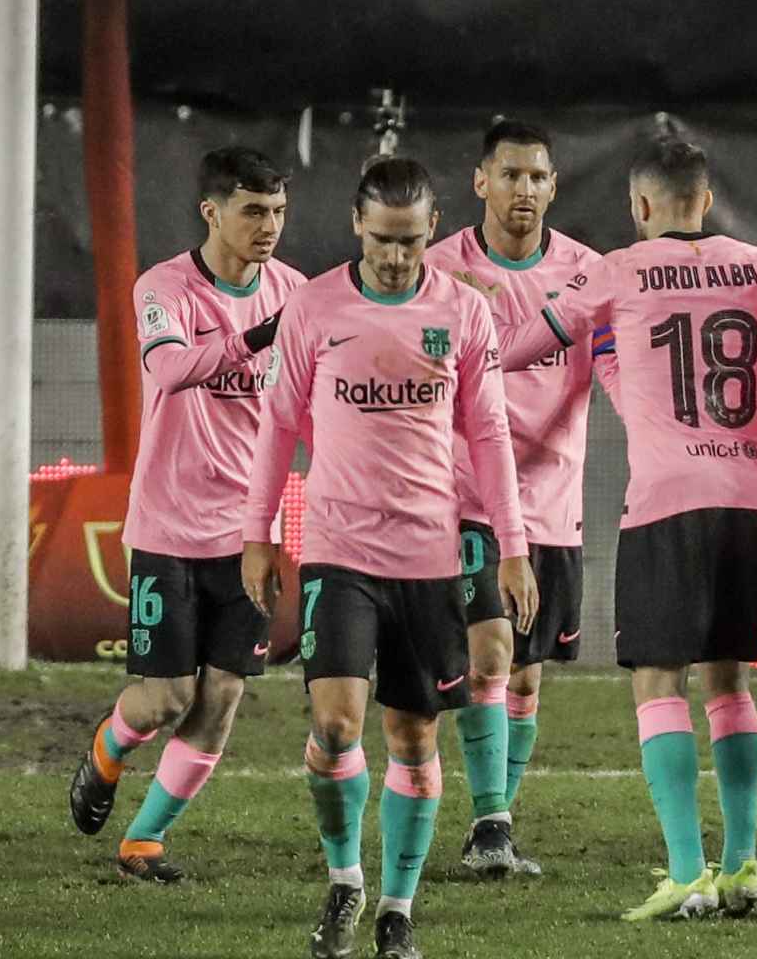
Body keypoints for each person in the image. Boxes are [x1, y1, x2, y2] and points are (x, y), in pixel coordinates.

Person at [496, 137, 757, 920]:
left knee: (656, 680)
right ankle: (744, 865)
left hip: (664, 500)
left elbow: (521, 347)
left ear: (640, 206)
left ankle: (687, 873)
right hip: (744, 495)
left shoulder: (616, 271)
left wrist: (465, 327)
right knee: (729, 680)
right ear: (706, 201)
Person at [241, 156, 537, 959]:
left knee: (412, 740)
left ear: (434, 230)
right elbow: (276, 425)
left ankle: (397, 911)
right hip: (339, 552)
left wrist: (513, 548)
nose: (397, 256)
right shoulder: (314, 307)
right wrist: (258, 532)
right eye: (382, 240)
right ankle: (345, 880)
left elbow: (491, 435)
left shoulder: (464, 316)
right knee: (335, 726)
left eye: (410, 241)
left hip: (429, 559)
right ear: (354, 226)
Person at [66, 147, 302, 883]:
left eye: (279, 212)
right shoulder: (164, 288)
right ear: (212, 212)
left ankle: (144, 841)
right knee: (167, 697)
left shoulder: (294, 289)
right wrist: (260, 335)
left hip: (250, 535)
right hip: (169, 528)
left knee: (224, 693)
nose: (269, 227)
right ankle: (107, 749)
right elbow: (170, 369)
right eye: (253, 211)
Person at [420, 119, 613, 878]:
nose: (523, 189)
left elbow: (614, 362)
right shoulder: (438, 268)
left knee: (527, 675)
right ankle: (492, 825)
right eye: (509, 175)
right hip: (467, 497)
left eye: (537, 176)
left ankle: (492, 817)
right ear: (480, 182)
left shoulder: (589, 273)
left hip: (554, 504)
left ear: (554, 186)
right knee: (490, 651)